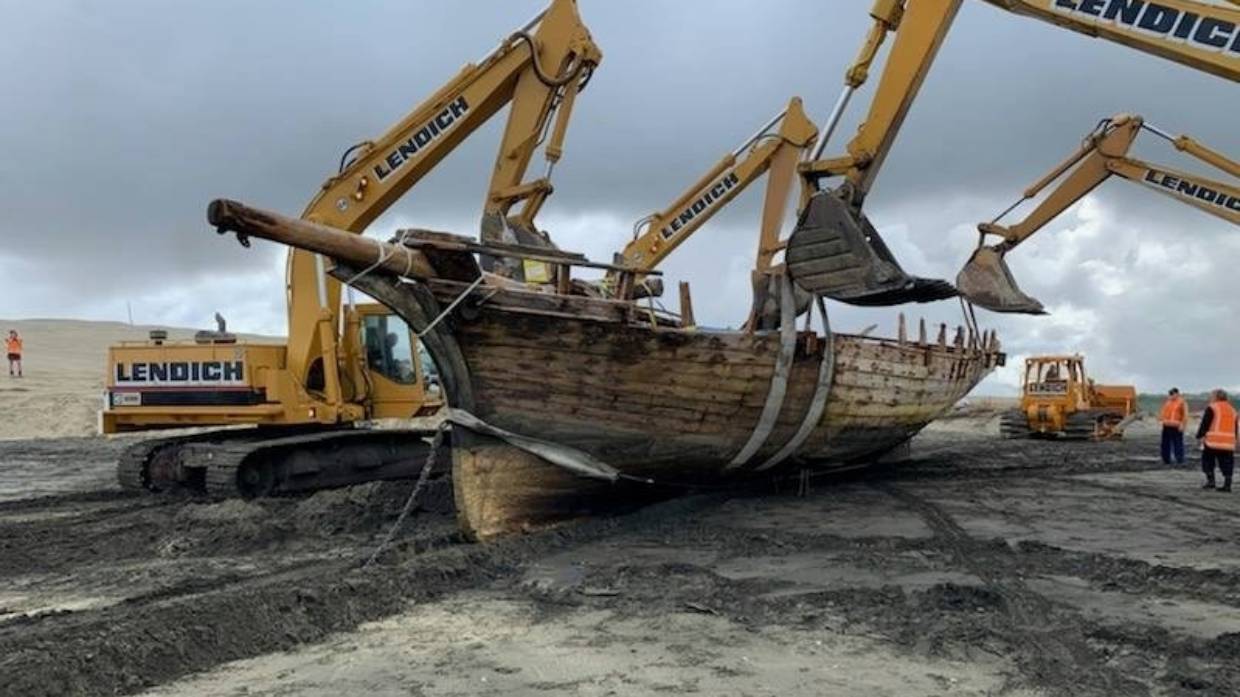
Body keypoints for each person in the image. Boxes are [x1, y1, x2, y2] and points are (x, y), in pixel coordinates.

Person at [1195, 388, 1237, 492]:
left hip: (1213, 441)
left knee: (1208, 460)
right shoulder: (1233, 410)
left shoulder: (1212, 407)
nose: (1210, 397)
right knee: (1227, 463)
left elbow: (1205, 423)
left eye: (1212, 395)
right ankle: (1227, 485)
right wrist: (1235, 440)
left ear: (1216, 397)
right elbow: (1235, 427)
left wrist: (1199, 435)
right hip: (1228, 443)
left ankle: (1211, 482)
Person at [1159, 388, 1188, 465]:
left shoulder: (1182, 403)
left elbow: (1185, 415)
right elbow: (1163, 413)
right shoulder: (1168, 402)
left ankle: (1179, 460)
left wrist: (1183, 425)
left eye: (1172, 394)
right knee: (1165, 444)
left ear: (1177, 394)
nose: (1171, 396)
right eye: (1170, 394)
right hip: (1167, 426)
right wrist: (1162, 420)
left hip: (1176, 426)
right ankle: (1166, 460)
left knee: (1178, 444)